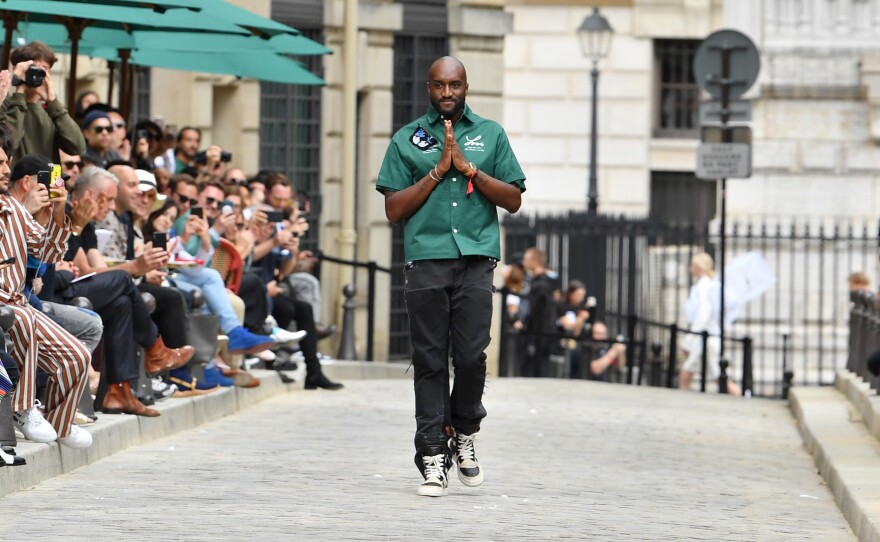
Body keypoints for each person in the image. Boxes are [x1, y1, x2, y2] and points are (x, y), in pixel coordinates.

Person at [376, 56, 525, 497]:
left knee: (473, 356)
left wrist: (470, 170)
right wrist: (439, 170)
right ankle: (432, 454)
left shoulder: (490, 134)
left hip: (477, 259)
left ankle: (464, 430)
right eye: (439, 86)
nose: (447, 93)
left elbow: (513, 200)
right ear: (428, 89)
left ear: (466, 87)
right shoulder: (406, 140)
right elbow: (394, 209)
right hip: (427, 259)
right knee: (429, 359)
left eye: (454, 85)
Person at [0, 151, 93, 448]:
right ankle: (22, 409)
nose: (6, 169)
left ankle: (59, 422)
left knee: (78, 355)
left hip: (18, 303)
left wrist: (58, 210)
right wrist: (26, 210)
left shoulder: (14, 208)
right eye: (1, 163)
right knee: (24, 315)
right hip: (8, 304)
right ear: (29, 182)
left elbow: (49, 254)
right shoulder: (11, 207)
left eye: (6, 162)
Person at [1, 41, 85, 163]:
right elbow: (9, 146)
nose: (37, 74)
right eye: (32, 69)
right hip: (17, 181)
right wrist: (19, 91)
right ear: (16, 70)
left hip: (48, 181)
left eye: (44, 69)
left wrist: (53, 103)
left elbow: (78, 148)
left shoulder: (52, 110)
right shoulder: (4, 105)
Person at [679, 252, 742, 395]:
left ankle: (743, 398)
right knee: (687, 373)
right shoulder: (710, 286)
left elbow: (702, 316)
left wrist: (688, 342)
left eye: (692, 265)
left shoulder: (705, 287)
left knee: (718, 378)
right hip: (705, 339)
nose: (690, 269)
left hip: (705, 339)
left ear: (698, 267)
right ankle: (682, 402)